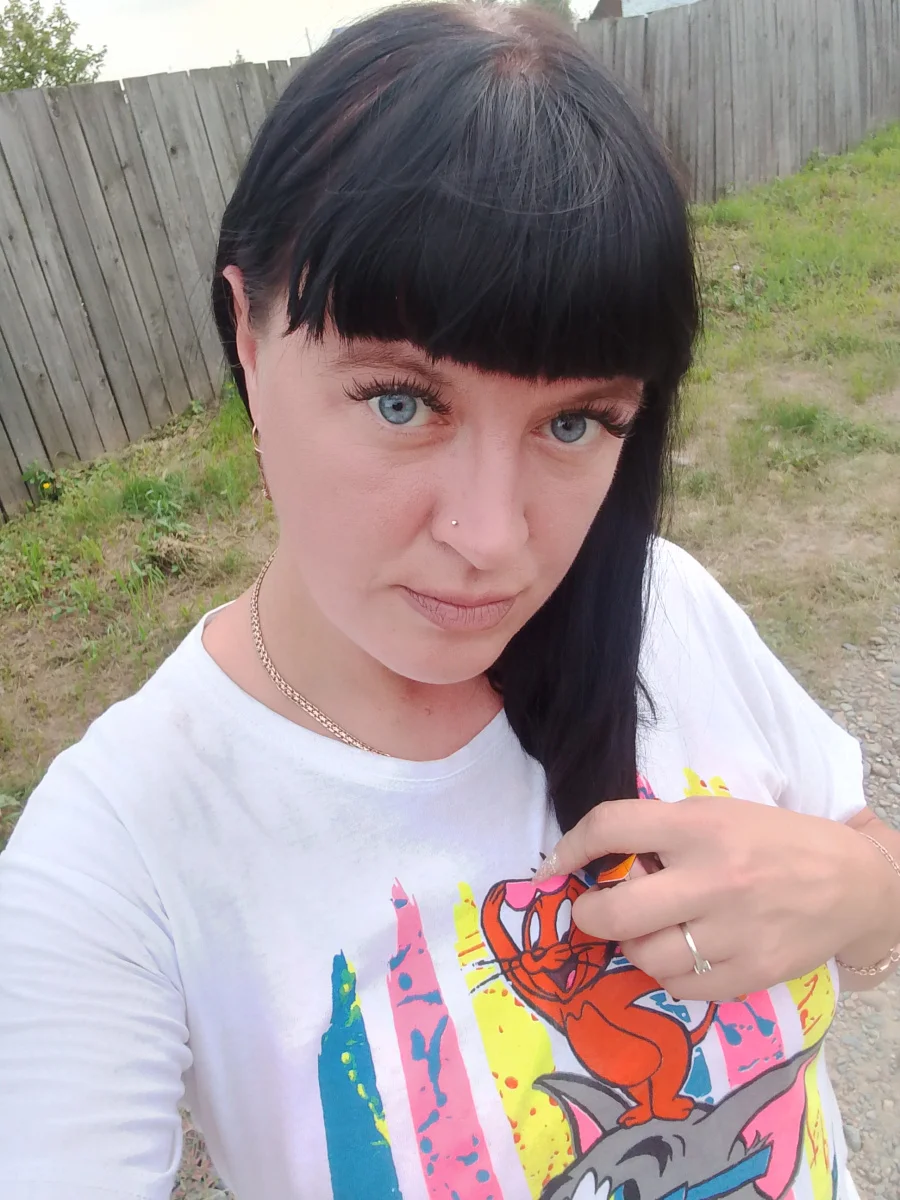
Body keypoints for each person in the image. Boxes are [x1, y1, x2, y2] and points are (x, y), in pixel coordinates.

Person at [1, 4, 898, 1199]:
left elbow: (867, 880)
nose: (490, 540)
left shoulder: (665, 608)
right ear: (249, 342)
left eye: (574, 422)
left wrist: (863, 892)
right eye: (402, 402)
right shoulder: (119, 857)